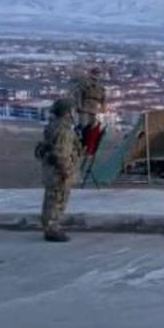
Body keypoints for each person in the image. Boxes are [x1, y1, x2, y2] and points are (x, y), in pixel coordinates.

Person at [35, 98, 79, 242]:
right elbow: (61, 153)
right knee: (57, 200)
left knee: (51, 199)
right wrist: (66, 171)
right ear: (67, 112)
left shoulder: (53, 126)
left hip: (51, 169)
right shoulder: (64, 130)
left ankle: (50, 226)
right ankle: (52, 229)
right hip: (58, 171)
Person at [71, 67, 108, 141]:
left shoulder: (100, 87)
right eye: (95, 73)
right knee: (83, 125)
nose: (97, 75)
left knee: (92, 129)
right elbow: (79, 95)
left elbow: (103, 99)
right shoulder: (85, 84)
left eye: (98, 73)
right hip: (85, 107)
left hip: (95, 109)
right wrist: (79, 106)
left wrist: (103, 109)